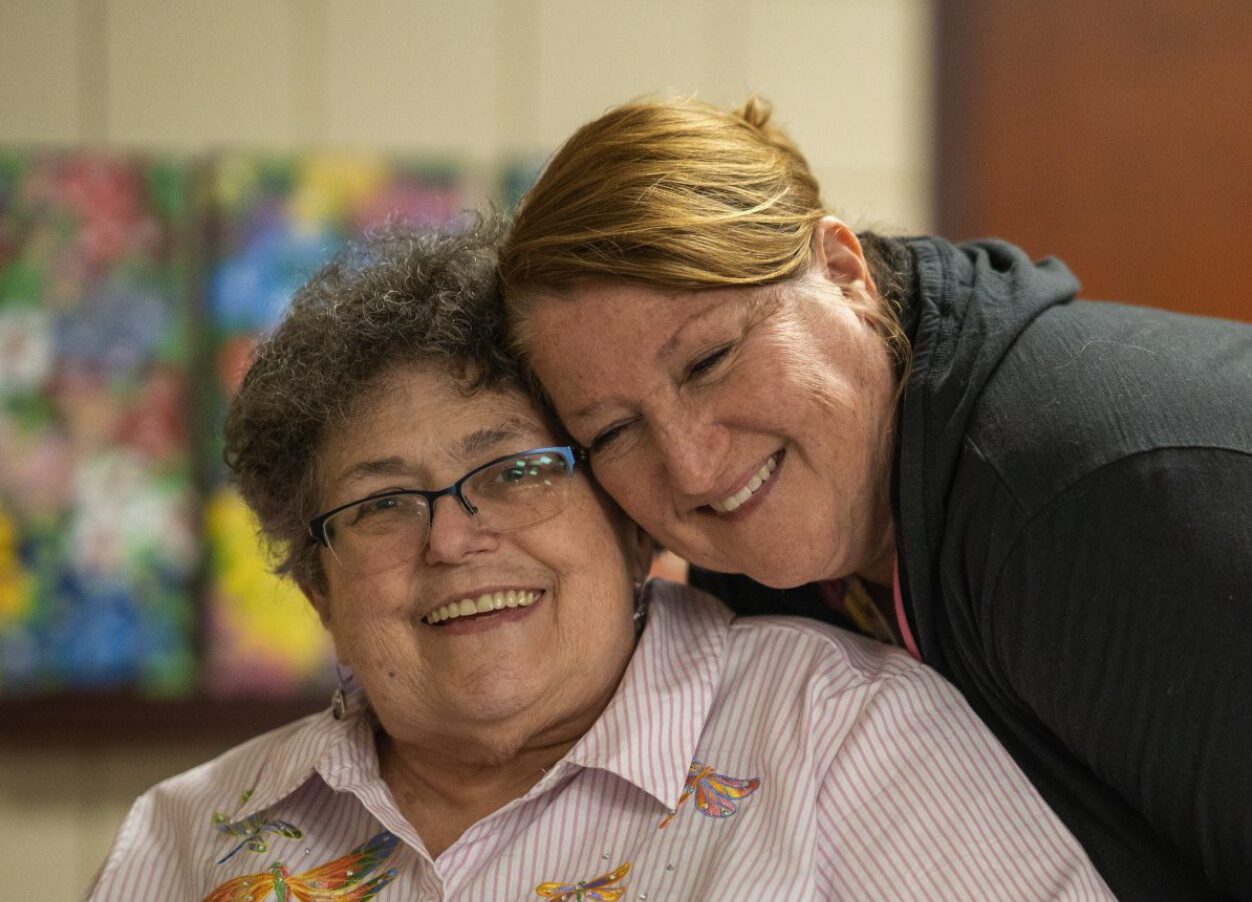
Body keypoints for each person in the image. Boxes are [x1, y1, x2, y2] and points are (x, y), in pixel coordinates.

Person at [84, 218, 1111, 901]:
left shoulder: (843, 736)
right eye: (383, 503)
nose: (451, 538)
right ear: (317, 581)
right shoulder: (185, 837)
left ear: (629, 517)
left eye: (516, 469)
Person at [499, 97, 1252, 900]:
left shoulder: (1083, 504)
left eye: (710, 359)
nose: (690, 467)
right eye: (614, 431)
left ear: (843, 272)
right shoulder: (778, 563)